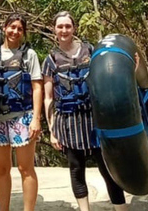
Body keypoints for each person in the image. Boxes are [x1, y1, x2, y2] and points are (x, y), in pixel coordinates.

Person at [42, 11, 128, 211]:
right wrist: (53, 130)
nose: (64, 30)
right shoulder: (50, 60)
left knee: (108, 169)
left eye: (67, 26)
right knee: (76, 169)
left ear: (74, 28)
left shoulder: (90, 50)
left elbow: (110, 73)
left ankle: (121, 208)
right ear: (54, 30)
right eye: (60, 26)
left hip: (96, 120)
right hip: (68, 123)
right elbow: (48, 98)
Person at [0, 13, 43, 211]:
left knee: (25, 168)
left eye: (19, 29)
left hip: (23, 117)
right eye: (12, 27)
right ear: (4, 28)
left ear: (23, 32)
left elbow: (37, 87)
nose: (15, 31)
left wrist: (36, 119)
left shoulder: (29, 55)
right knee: (2, 169)